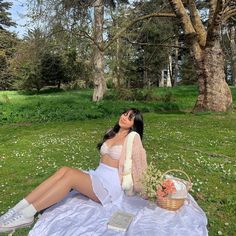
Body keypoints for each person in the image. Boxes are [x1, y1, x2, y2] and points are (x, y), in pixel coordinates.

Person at [0, 108, 147, 233]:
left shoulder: (133, 139)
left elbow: (140, 164)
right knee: (64, 170)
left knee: (70, 176)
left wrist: (144, 187)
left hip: (110, 184)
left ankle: (28, 213)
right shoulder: (111, 132)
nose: (125, 118)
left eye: (130, 117)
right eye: (124, 114)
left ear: (135, 123)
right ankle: (16, 209)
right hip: (98, 174)